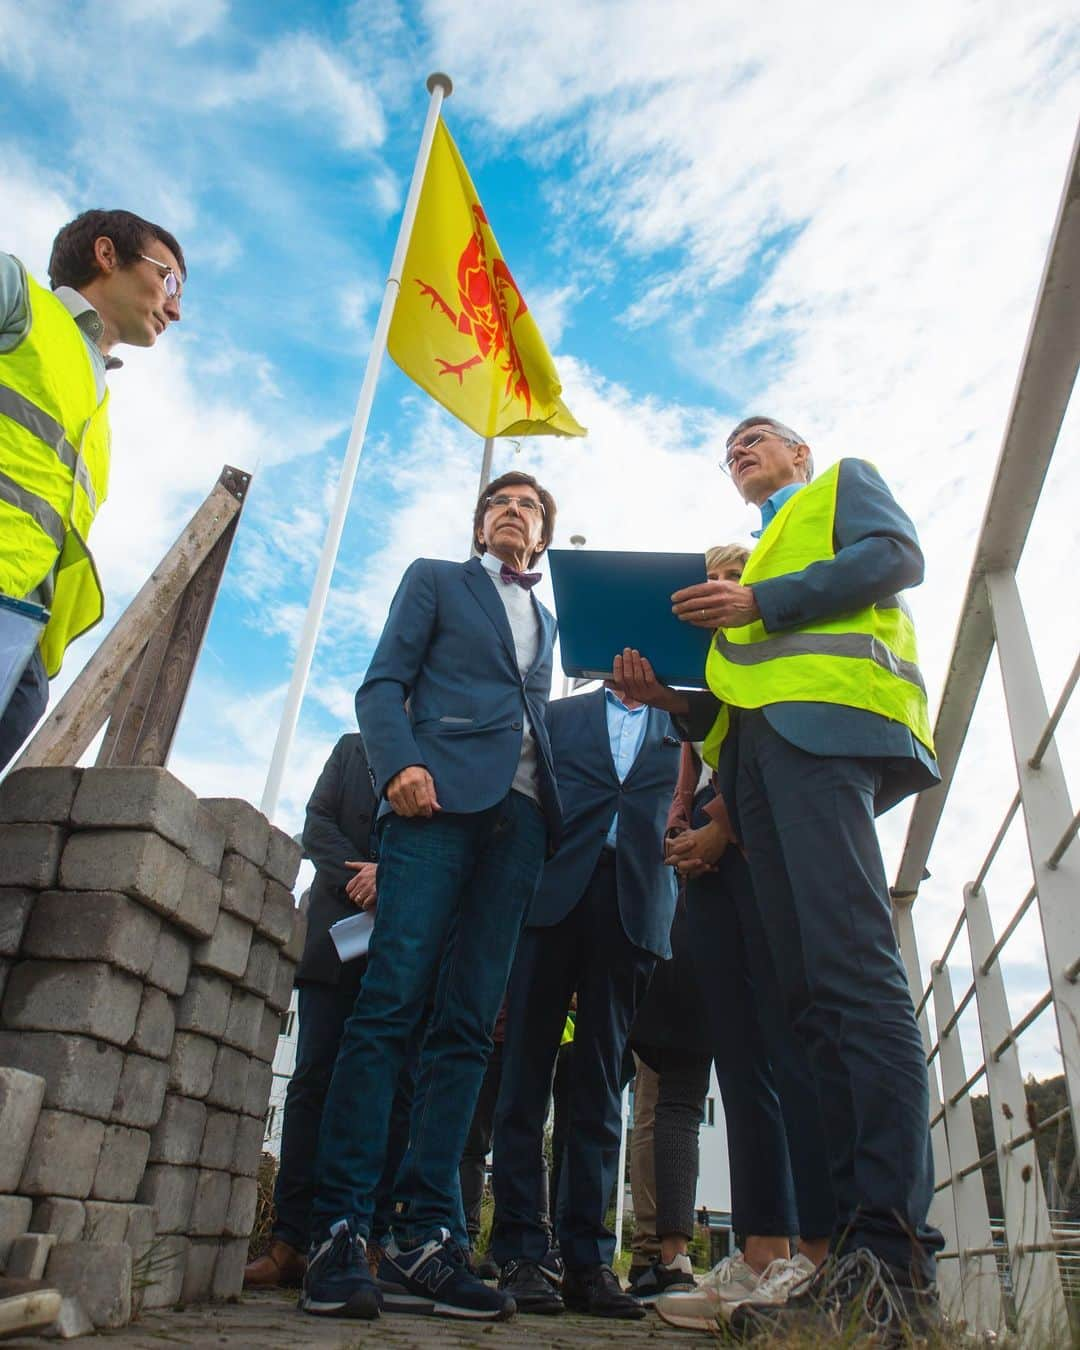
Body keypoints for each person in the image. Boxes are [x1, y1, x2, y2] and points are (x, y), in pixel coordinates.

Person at [618, 417, 942, 1341]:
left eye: (757, 438)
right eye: (729, 450)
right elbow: (728, 706)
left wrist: (764, 599)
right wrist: (670, 702)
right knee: (806, 1006)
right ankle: (844, 1257)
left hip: (829, 736)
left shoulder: (840, 485)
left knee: (851, 976)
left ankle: (895, 1261)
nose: (741, 451)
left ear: (801, 453)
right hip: (757, 765)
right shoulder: (748, 561)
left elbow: (897, 556)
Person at [301, 471, 561, 1323]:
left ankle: (430, 1233)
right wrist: (399, 765)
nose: (512, 514)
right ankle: (339, 1227)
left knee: (466, 1030)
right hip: (433, 801)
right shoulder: (436, 578)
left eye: (528, 507)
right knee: (390, 1004)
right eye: (500, 504)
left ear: (545, 536)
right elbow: (380, 684)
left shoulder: (549, 622)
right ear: (481, 524)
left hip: (520, 821)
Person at [490, 681, 680, 1320]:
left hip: (633, 907)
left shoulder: (685, 725)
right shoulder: (557, 715)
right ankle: (518, 1251)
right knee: (523, 1074)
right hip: (551, 898)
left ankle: (587, 1261)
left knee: (601, 1086)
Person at [0, 210, 185, 769]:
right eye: (169, 279)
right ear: (107, 256)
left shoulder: (98, 404)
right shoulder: (21, 300)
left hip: (21, 638)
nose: (175, 307)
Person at [244, 732, 413, 1289]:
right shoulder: (351, 749)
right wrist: (360, 876)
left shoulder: (437, 759)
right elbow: (317, 823)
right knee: (312, 1080)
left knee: (389, 1094)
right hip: (335, 938)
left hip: (400, 946)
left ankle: (361, 1239)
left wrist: (390, 876)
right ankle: (289, 1240)